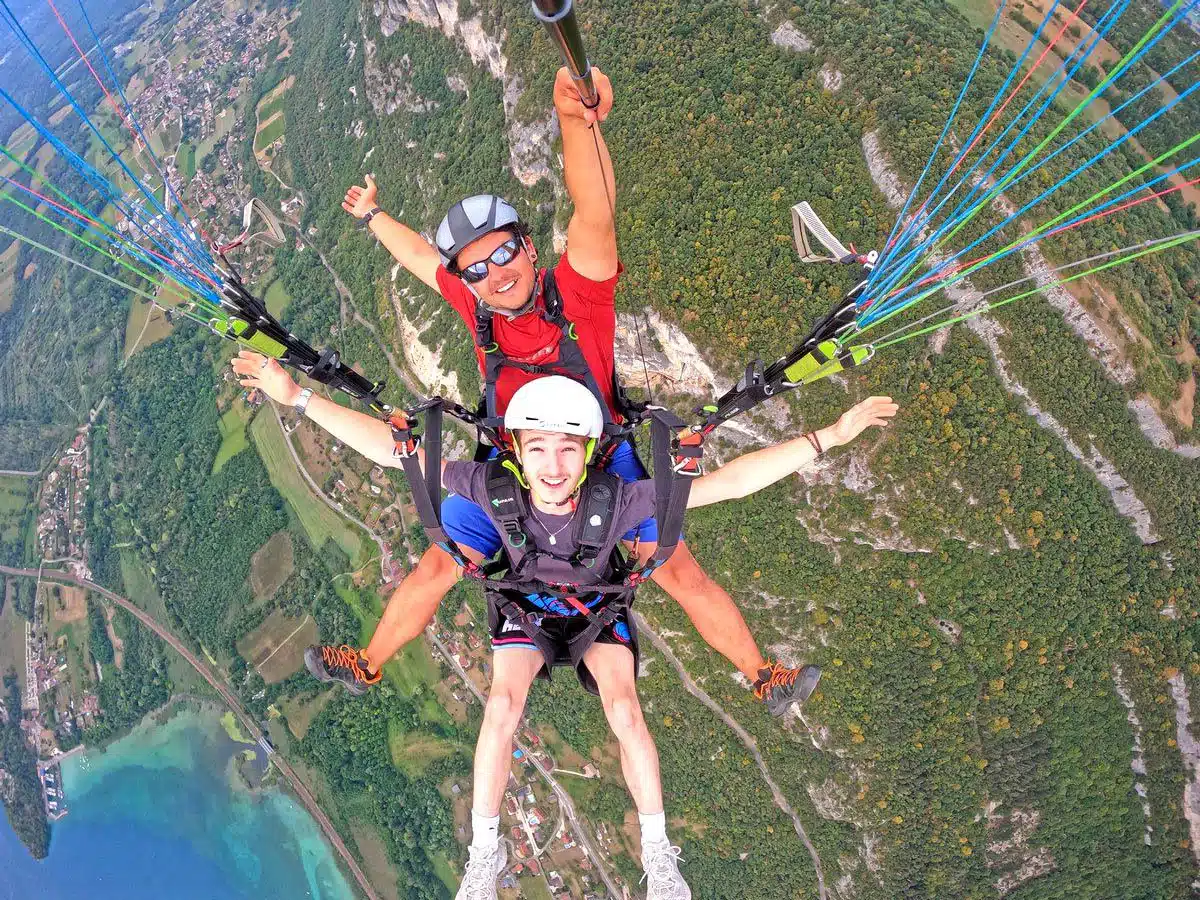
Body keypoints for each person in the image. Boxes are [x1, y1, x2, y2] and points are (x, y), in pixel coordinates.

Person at [269, 64, 821, 713]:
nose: (493, 274)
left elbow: (595, 213)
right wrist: (373, 217)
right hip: (513, 458)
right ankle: (367, 664)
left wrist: (574, 123)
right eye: (476, 268)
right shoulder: (477, 305)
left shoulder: (579, 296)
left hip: (600, 452)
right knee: (438, 565)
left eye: (504, 255)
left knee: (676, 568)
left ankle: (763, 676)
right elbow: (423, 260)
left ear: (530, 249)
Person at [314, 375, 896, 900]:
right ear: (516, 450)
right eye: (538, 448)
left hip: (593, 606)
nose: (553, 464)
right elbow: (398, 454)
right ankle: (483, 856)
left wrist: (829, 438)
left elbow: (729, 485)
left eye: (568, 449)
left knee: (624, 709)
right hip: (529, 607)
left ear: (588, 454)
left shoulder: (616, 500)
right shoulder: (488, 485)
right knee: (501, 705)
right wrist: (299, 398)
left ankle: (659, 859)